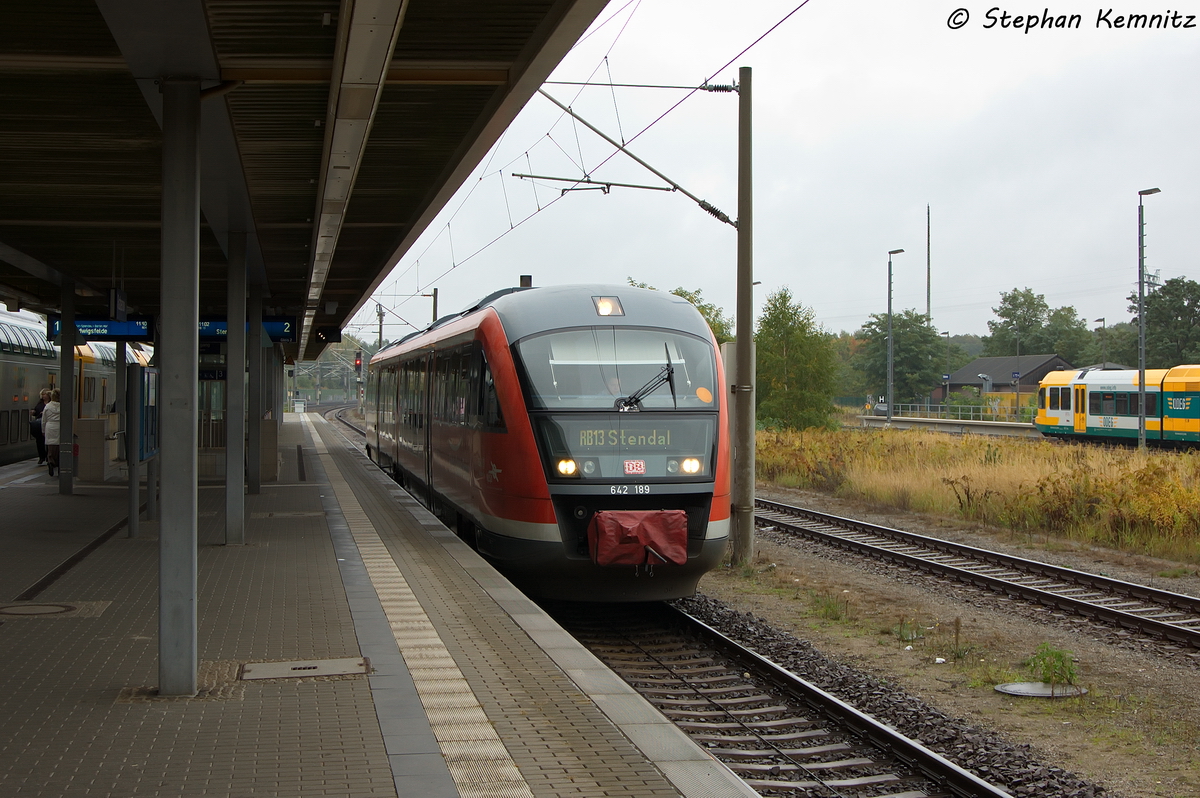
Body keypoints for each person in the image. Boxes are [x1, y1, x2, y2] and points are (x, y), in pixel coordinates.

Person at [42, 389, 61, 477]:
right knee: (60, 446)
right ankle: (59, 464)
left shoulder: (48, 406)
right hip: (60, 427)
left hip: (50, 427)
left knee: (51, 446)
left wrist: (43, 430)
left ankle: (50, 462)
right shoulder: (63, 406)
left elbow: (43, 420)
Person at [30, 389, 50, 464]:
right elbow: (36, 410)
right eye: (42, 394)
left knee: (48, 441)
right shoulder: (40, 403)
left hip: (48, 424)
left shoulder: (51, 404)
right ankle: (42, 456)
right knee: (39, 441)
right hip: (40, 424)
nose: (43, 396)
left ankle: (49, 456)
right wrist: (33, 412)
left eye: (44, 394)